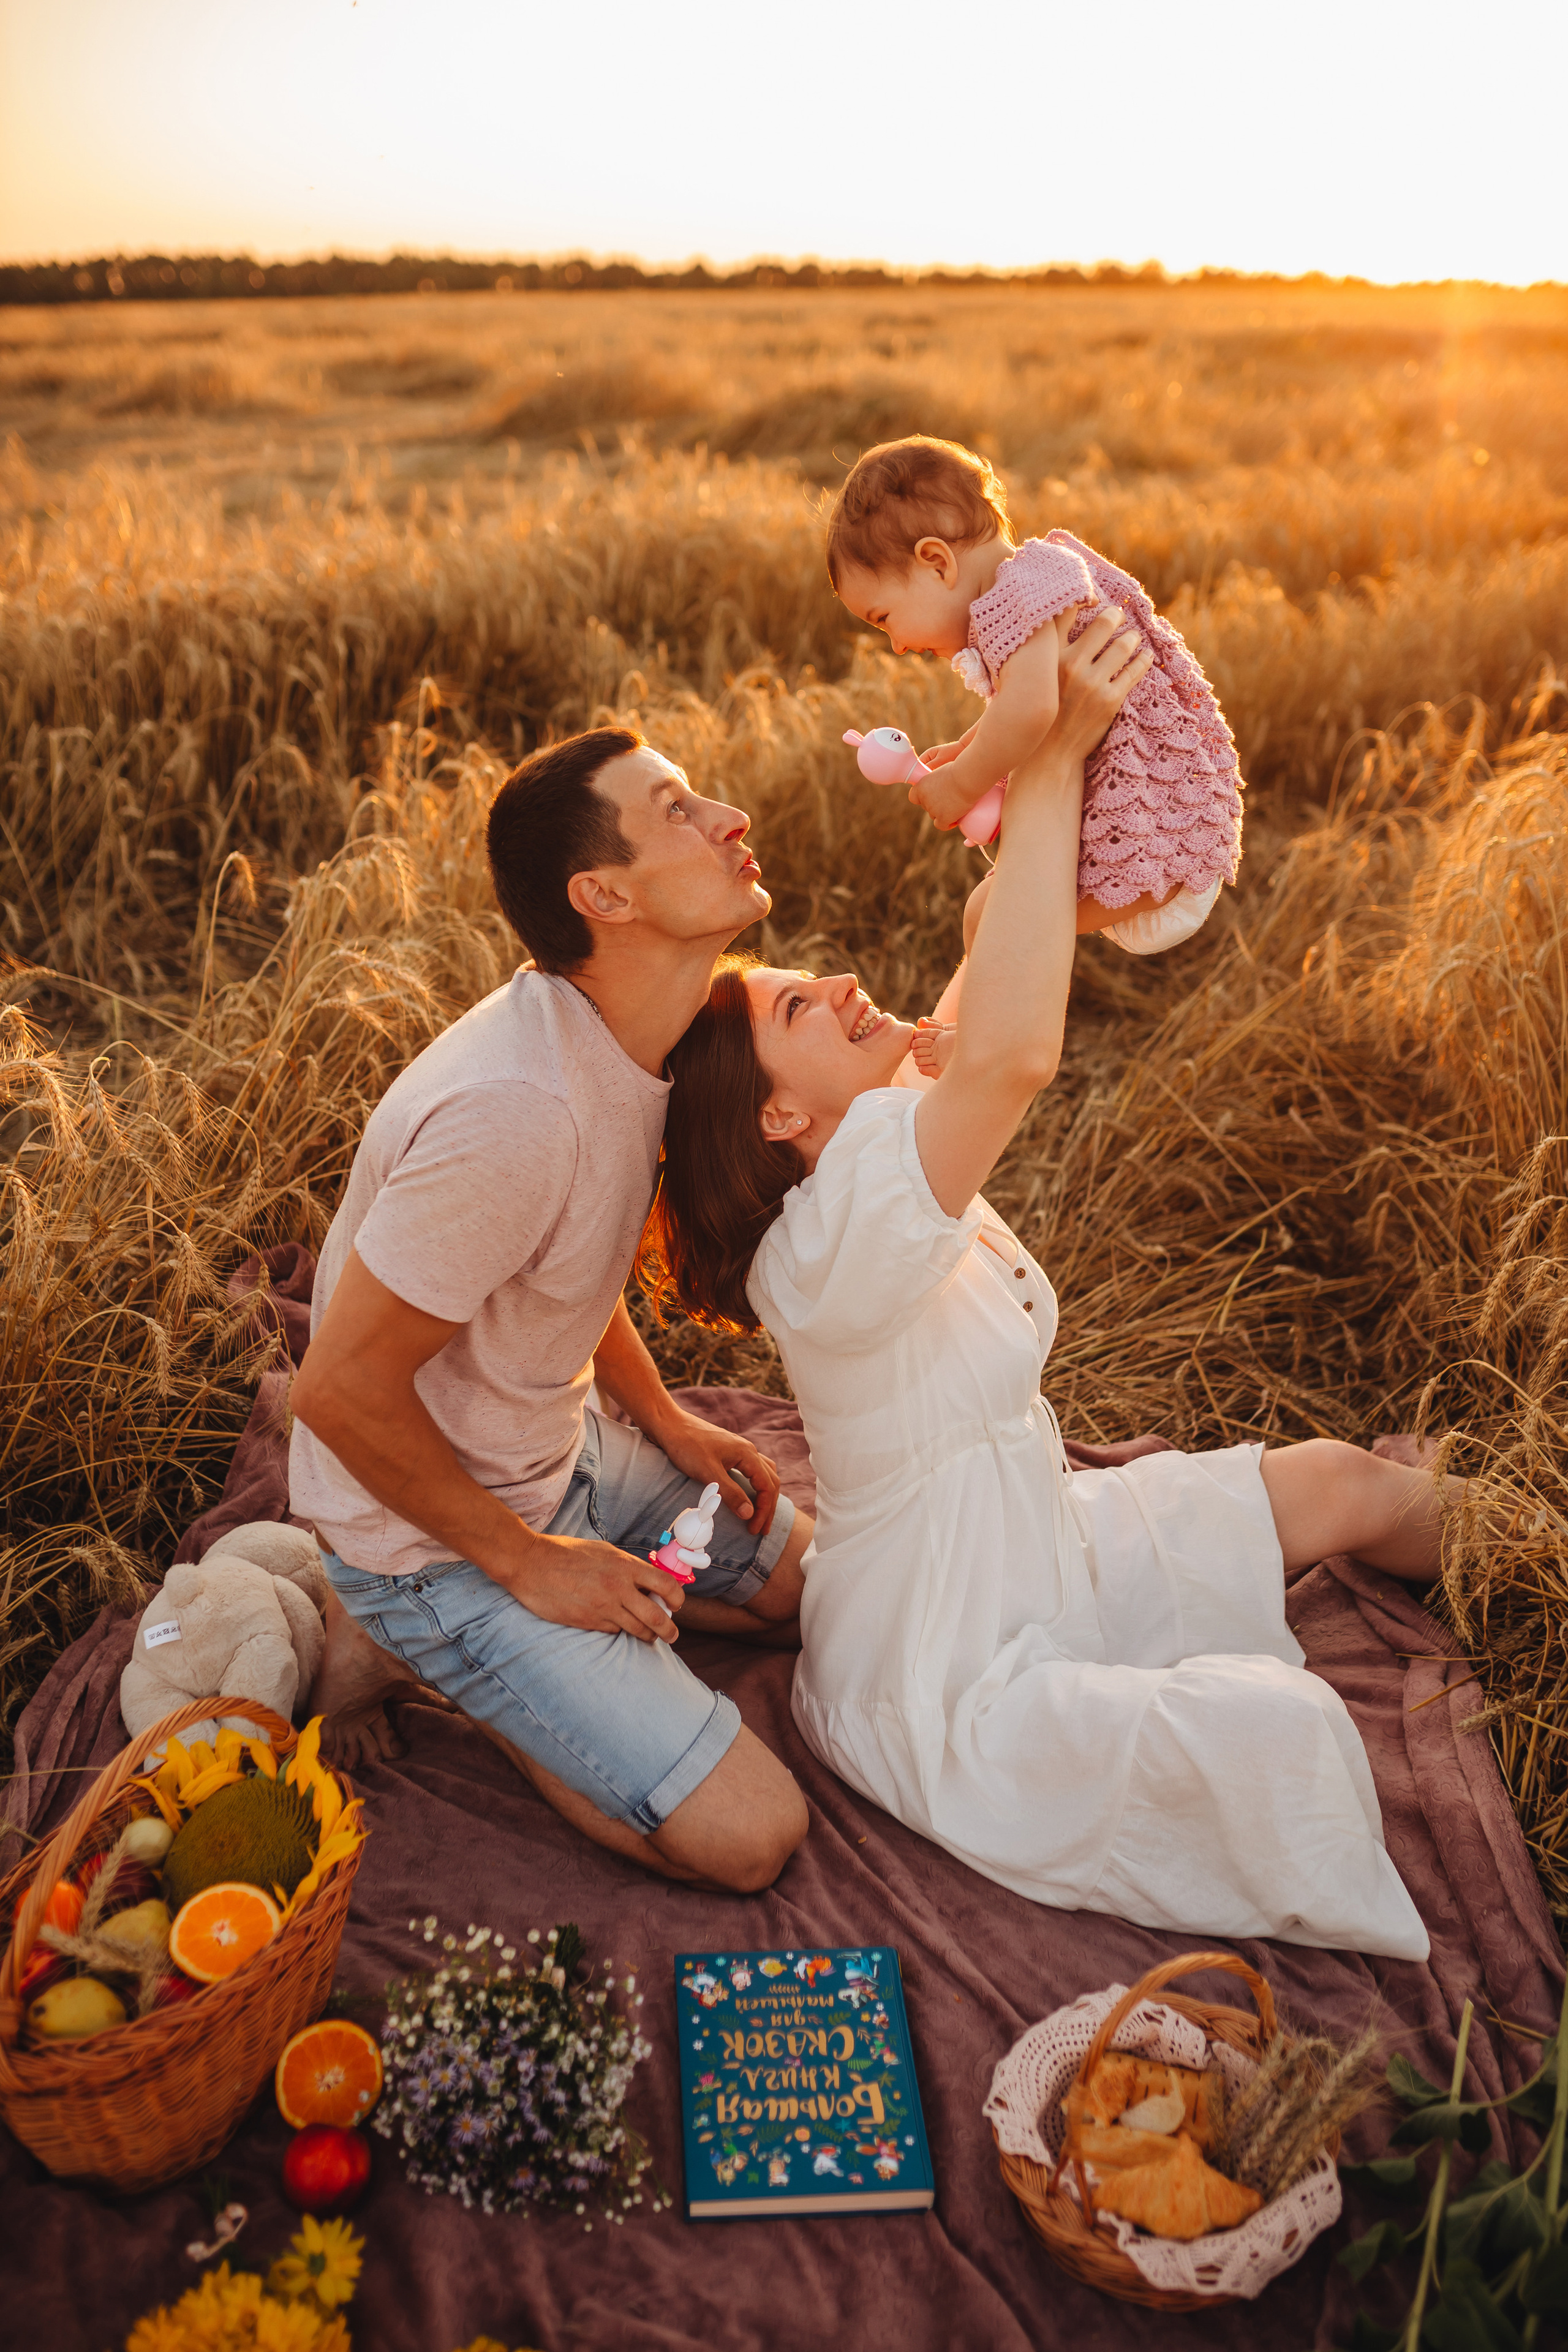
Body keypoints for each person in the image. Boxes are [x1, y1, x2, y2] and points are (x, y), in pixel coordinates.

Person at [639, 607, 1433, 1957]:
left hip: (1033, 1543)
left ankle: (1533, 1559)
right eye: (793, 1009)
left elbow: (982, 971)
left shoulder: (875, 1135)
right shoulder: (832, 1239)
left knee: (1345, 1482)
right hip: (949, 1667)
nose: (835, 982)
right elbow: (1007, 1056)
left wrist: (1052, 773)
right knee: (1284, 1741)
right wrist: (1052, 753)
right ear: (778, 1121)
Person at [288, 728, 813, 1893]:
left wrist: (665, 1417)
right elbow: (332, 1391)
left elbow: (561, 1276)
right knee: (752, 1835)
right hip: (435, 1542)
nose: (727, 815)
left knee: (798, 1594)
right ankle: (445, 1664)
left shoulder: (640, 1040)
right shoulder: (515, 1111)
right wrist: (532, 1566)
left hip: (557, 1454)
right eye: (677, 808)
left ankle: (551, 1637)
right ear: (604, 895)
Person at [826, 438, 1244, 1060]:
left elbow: (1031, 709)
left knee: (990, 916)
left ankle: (981, 1043)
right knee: (1004, 913)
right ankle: (987, 1035)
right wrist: (969, 744)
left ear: (936, 562)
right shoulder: (1029, 582)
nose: (894, 645)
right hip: (1163, 830)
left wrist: (964, 781)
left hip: (1157, 832)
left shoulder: (1017, 594)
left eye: (884, 617)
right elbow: (1026, 700)